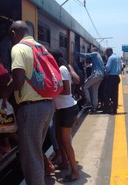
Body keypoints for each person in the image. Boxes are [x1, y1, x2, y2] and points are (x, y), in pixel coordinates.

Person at [4, 20, 54, 185]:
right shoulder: (40, 47)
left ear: (13, 34)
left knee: (31, 158)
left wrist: (4, 93)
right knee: (36, 152)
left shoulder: (18, 48)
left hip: (32, 110)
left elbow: (18, 80)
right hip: (47, 106)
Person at [50, 49, 80, 182]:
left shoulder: (62, 69)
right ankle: (65, 163)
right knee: (58, 137)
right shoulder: (59, 68)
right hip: (61, 109)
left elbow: (66, 90)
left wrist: (50, 90)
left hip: (68, 108)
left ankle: (75, 171)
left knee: (65, 140)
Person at [76, 47, 105, 112]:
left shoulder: (95, 54)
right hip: (100, 75)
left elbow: (85, 55)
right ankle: (94, 107)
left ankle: (88, 102)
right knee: (95, 91)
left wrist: (75, 53)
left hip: (96, 74)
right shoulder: (99, 57)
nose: (90, 52)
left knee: (85, 86)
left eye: (91, 51)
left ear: (93, 51)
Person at [103, 48, 122, 114]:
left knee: (107, 94)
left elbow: (108, 68)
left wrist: (104, 72)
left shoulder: (111, 58)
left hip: (110, 77)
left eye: (106, 53)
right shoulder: (118, 57)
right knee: (115, 94)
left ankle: (107, 109)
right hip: (117, 77)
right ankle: (114, 110)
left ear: (109, 51)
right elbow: (121, 67)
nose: (106, 54)